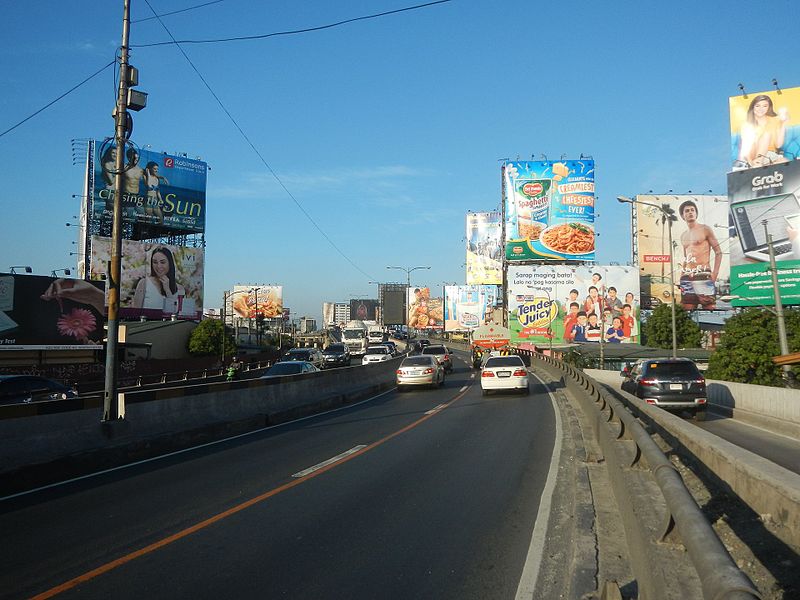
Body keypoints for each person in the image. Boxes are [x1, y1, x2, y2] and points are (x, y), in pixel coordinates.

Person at [678, 200, 722, 310]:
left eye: (692, 210)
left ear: (696, 213)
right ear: (683, 216)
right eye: (687, 211)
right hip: (687, 276)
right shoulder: (683, 235)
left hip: (703, 273)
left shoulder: (705, 229)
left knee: (709, 308)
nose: (690, 212)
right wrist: (682, 275)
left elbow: (718, 252)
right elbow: (686, 258)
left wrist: (715, 274)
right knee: (687, 310)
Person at [737, 94, 790, 168]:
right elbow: (745, 146)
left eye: (765, 106)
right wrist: (750, 162)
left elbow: (778, 145)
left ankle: (763, 167)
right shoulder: (747, 125)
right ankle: (758, 162)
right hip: (754, 155)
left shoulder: (774, 120)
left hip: (770, 155)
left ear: (768, 108)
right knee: (766, 135)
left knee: (785, 162)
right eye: (757, 106)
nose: (760, 109)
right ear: (753, 107)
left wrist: (783, 123)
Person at [132, 246, 186, 311]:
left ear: (170, 263)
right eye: (155, 262)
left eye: (162, 262)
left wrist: (167, 290)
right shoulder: (144, 283)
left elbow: (177, 312)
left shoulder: (180, 288)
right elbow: (135, 311)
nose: (158, 266)